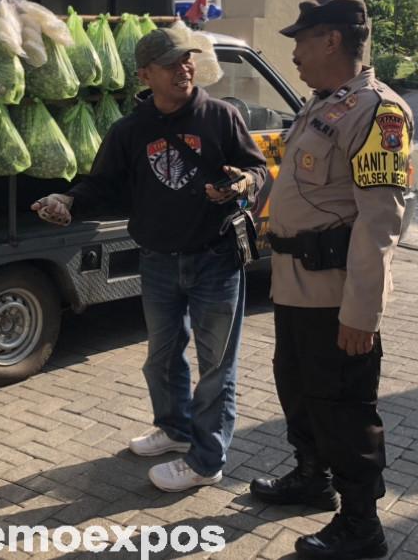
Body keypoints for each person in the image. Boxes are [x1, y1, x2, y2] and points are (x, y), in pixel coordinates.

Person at [32, 27, 267, 492]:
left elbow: (256, 168)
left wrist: (244, 184)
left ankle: (206, 459)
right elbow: (102, 185)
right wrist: (68, 200)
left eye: (187, 60)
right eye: (172, 63)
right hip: (158, 260)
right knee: (160, 358)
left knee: (216, 364)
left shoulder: (221, 117)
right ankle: (176, 431)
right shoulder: (130, 129)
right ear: (145, 75)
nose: (184, 68)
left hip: (215, 258)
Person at [249, 0, 413, 559]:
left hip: (336, 294)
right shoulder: (325, 104)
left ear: (332, 41)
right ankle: (310, 478)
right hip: (295, 286)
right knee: (298, 389)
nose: (293, 53)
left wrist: (361, 313)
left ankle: (362, 528)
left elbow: (380, 220)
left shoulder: (377, 112)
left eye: (301, 40)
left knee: (343, 406)